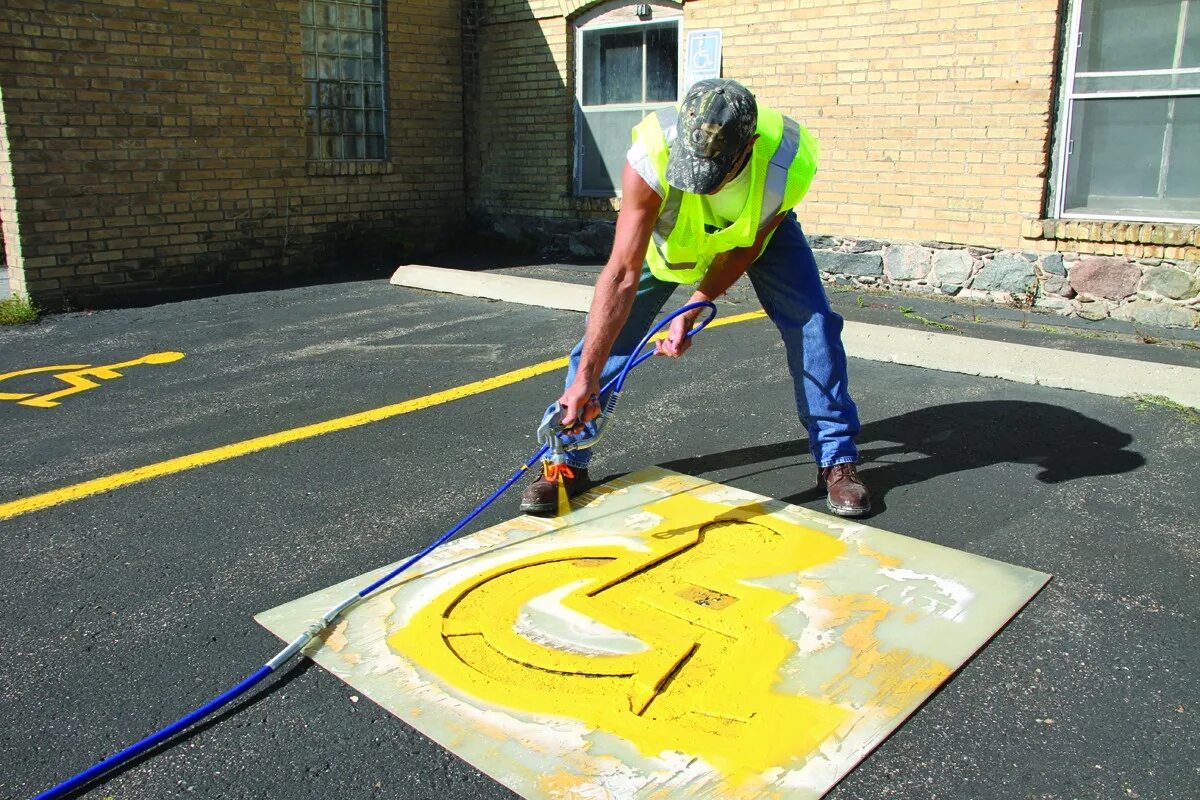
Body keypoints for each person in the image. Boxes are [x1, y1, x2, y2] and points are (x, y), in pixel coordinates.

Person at [520, 79, 871, 518]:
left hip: (753, 237)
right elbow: (621, 273)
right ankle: (567, 460)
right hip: (666, 244)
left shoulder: (787, 161)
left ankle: (836, 458)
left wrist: (695, 305)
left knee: (813, 323)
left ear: (749, 146)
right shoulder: (650, 154)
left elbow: (743, 248)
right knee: (608, 339)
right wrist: (585, 375)